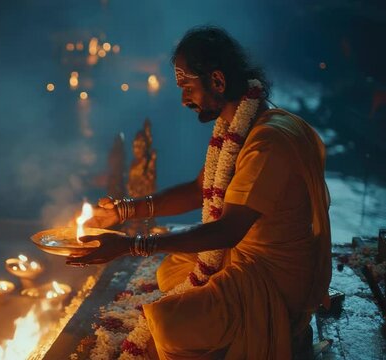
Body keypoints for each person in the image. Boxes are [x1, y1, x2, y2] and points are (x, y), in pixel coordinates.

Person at [66, 26, 331, 359]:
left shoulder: (268, 143)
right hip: (242, 260)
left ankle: (265, 329)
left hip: (270, 282)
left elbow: (228, 230)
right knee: (170, 271)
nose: (183, 99)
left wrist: (131, 246)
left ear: (217, 81)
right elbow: (198, 190)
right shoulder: (237, 124)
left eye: (187, 87)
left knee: (167, 326)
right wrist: (123, 210)